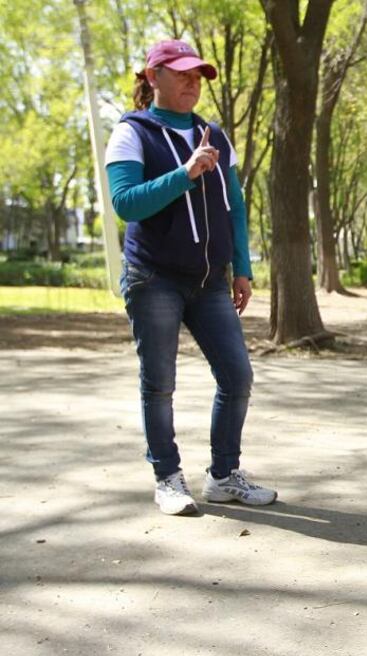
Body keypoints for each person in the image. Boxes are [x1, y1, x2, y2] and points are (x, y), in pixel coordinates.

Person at [105, 39, 276, 515]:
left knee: (237, 376)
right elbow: (125, 204)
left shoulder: (215, 135)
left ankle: (223, 476)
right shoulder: (131, 132)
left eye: (197, 74)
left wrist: (242, 267)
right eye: (180, 72)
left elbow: (234, 207)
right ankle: (167, 478)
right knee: (159, 383)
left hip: (209, 281)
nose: (191, 80)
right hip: (153, 277)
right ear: (153, 76)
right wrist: (184, 173)